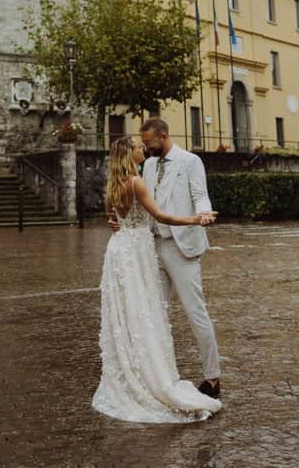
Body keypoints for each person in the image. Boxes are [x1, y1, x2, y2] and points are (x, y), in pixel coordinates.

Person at [92, 136, 222, 424]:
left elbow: (111, 218)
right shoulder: (137, 182)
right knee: (145, 312)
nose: (143, 149)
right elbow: (160, 215)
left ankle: (134, 373)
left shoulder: (113, 185)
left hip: (119, 250)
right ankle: (154, 378)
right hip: (137, 251)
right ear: (129, 154)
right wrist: (195, 220)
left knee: (132, 313)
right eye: (138, 147)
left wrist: (115, 222)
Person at [140, 117, 222, 401]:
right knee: (156, 312)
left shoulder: (190, 161)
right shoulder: (149, 164)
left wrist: (204, 215)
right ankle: (162, 377)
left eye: (149, 143)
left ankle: (212, 378)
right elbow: (147, 200)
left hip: (182, 247)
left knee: (194, 311)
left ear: (163, 136)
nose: (146, 148)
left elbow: (200, 195)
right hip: (154, 245)